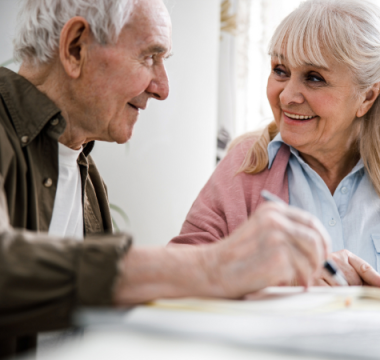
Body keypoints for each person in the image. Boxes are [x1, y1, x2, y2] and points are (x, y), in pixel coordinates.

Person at [0, 0, 332, 358]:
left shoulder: (85, 175)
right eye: (148, 57)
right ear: (76, 47)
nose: (162, 87)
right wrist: (214, 265)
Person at [170, 0, 380, 294]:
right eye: (280, 70)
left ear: (368, 96)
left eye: (314, 78)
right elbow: (173, 277)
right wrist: (282, 275)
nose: (288, 96)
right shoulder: (244, 167)